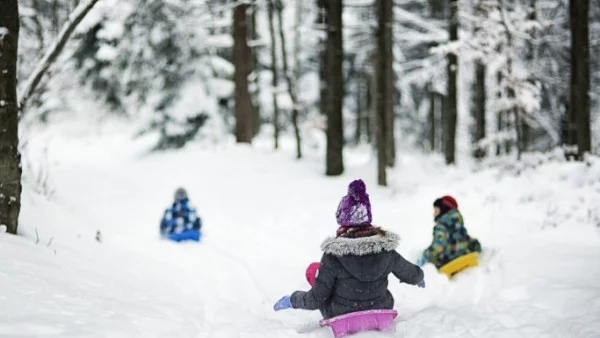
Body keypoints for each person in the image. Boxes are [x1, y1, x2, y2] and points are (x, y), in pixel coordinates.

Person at [273, 179, 425, 319]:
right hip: (380, 308)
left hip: (341, 314)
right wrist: (419, 277)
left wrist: (292, 300)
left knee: (314, 270)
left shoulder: (333, 255)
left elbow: (315, 300)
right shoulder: (386, 251)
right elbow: (410, 273)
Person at [416, 196, 481, 268]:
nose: (434, 214)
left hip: (447, 260)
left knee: (426, 259)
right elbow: (464, 237)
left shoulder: (441, 225)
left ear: (444, 209)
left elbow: (439, 245)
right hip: (463, 253)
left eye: (436, 211)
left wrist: (426, 255)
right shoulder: (458, 223)